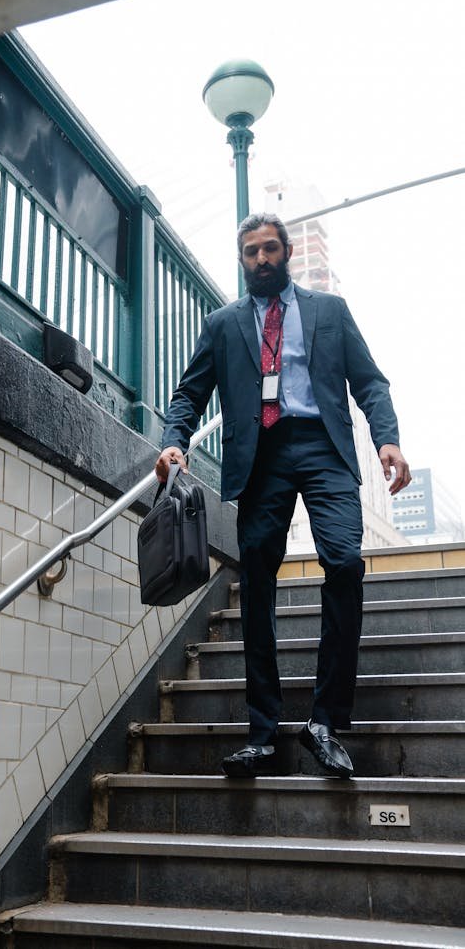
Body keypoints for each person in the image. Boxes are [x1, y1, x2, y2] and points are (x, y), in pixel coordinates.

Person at [155, 213, 410, 779]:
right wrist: (174, 443)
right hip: (261, 457)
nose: (262, 259)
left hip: (323, 448)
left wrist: (387, 439)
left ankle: (325, 721)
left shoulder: (328, 312)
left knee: (344, 563)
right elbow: (188, 393)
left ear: (287, 252)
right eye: (252, 252)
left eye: (271, 248)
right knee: (259, 584)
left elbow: (369, 382)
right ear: (242, 258)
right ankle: (264, 733)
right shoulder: (223, 324)